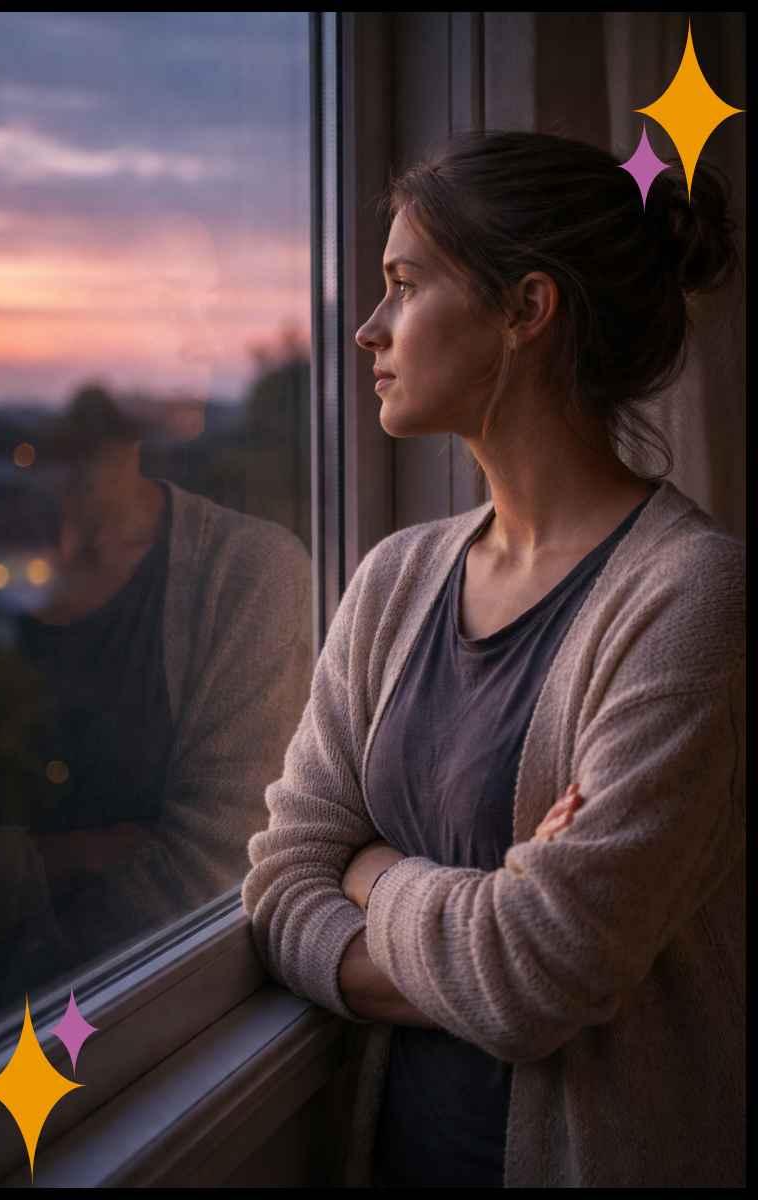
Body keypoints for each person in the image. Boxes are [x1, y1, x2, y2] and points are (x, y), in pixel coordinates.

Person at [243, 132, 745, 1188]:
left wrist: (373, 872)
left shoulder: (691, 600)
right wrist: (488, 930)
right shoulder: (393, 581)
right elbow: (282, 886)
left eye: (404, 283)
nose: (367, 327)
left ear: (525, 309)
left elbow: (535, 977)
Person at [0, 214, 312, 1020]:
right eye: (167, 307)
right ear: (85, 328)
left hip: (111, 1045)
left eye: (206, 308)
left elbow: (214, 872)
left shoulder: (244, 572)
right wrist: (64, 859)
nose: (204, 342)